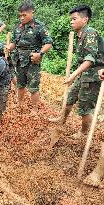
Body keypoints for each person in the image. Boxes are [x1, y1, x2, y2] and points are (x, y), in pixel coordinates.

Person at [49, 5, 104, 138]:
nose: (71, 21)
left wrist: (73, 75)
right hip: (84, 73)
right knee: (70, 97)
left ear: (85, 19)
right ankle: (62, 119)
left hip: (94, 76)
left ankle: (83, 132)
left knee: (85, 108)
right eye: (71, 19)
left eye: (74, 19)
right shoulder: (81, 35)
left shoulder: (90, 33)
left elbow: (90, 60)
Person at [5, 0, 52, 115]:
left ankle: (34, 109)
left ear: (32, 13)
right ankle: (19, 104)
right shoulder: (18, 27)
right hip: (20, 60)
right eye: (20, 15)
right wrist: (9, 48)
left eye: (24, 15)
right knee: (20, 84)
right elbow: (14, 42)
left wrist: (39, 54)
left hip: (32, 62)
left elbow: (49, 43)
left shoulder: (39, 27)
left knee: (33, 87)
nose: (21, 17)